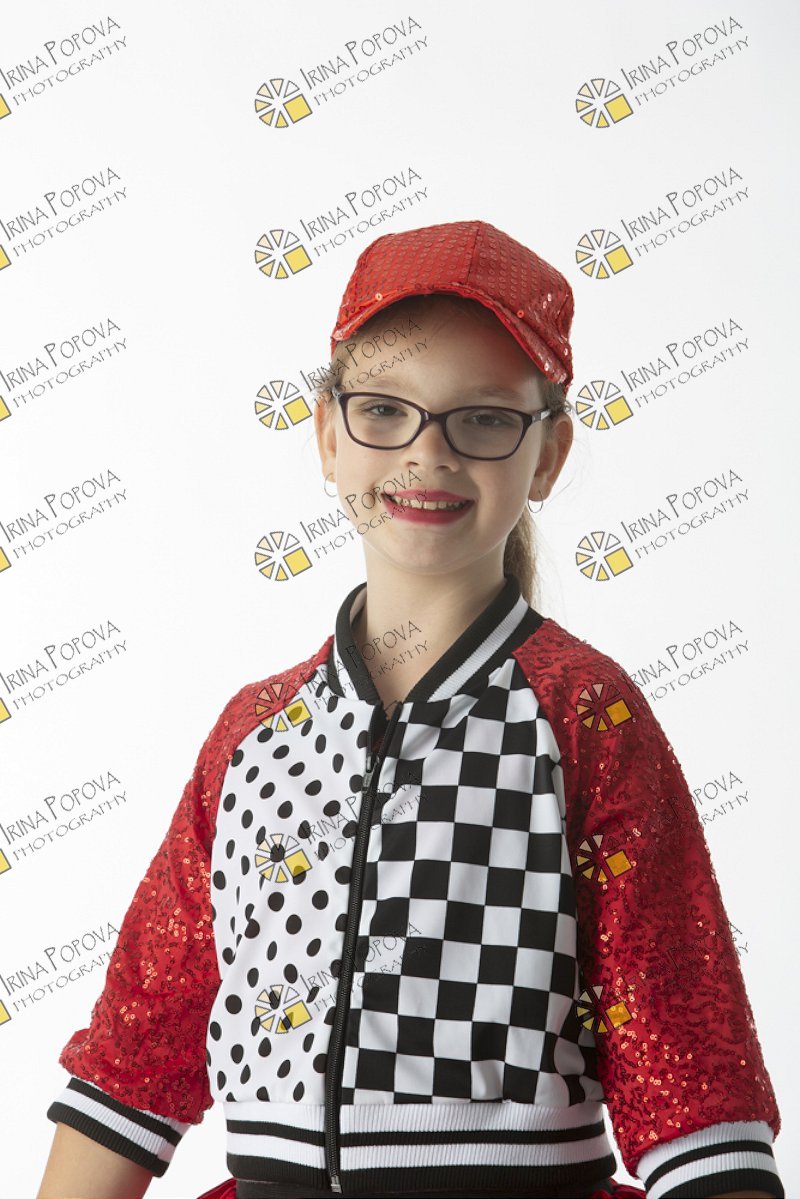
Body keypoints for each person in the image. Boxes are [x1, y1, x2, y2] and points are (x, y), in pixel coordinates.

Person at [36, 221, 784, 1199]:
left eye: (483, 419)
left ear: (548, 453)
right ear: (326, 433)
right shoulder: (254, 733)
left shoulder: (585, 716)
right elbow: (138, 1050)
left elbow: (687, 1063)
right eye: (385, 410)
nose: (428, 453)